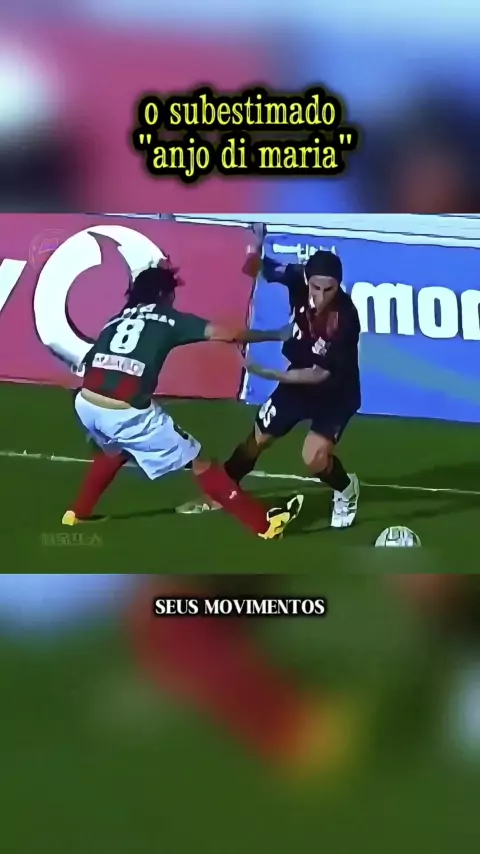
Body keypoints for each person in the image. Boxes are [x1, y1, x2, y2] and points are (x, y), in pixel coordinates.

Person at [62, 261, 303, 540]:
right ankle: (264, 526)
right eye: (171, 293)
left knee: (114, 450)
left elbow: (91, 362)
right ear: (163, 294)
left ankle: (76, 513)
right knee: (202, 462)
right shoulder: (169, 318)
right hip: (125, 410)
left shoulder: (115, 320)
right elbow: (230, 334)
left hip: (86, 403)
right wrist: (276, 334)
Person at [177, 248, 361, 529]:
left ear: (339, 285)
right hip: (296, 383)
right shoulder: (296, 277)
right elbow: (262, 268)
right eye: (316, 287)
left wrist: (271, 374)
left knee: (314, 458)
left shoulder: (345, 319)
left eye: (329, 289)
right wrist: (255, 258)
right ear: (307, 279)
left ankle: (346, 489)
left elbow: (320, 373)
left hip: (334, 392)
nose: (321, 296)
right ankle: (219, 494)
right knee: (257, 439)